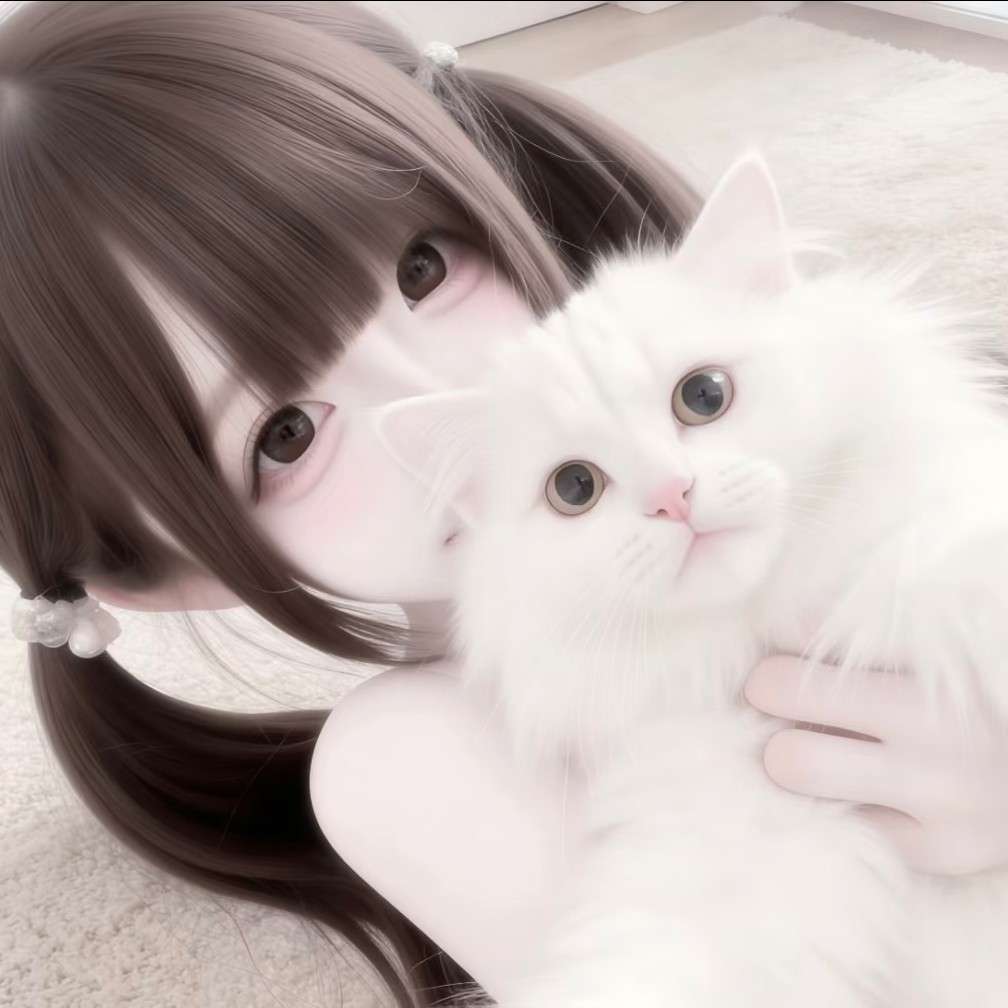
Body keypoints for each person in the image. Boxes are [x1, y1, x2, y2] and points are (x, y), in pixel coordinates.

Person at [2, 3, 1006, 1005]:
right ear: (168, 578)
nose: (438, 385)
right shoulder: (407, 759)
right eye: (286, 434)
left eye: (423, 268)